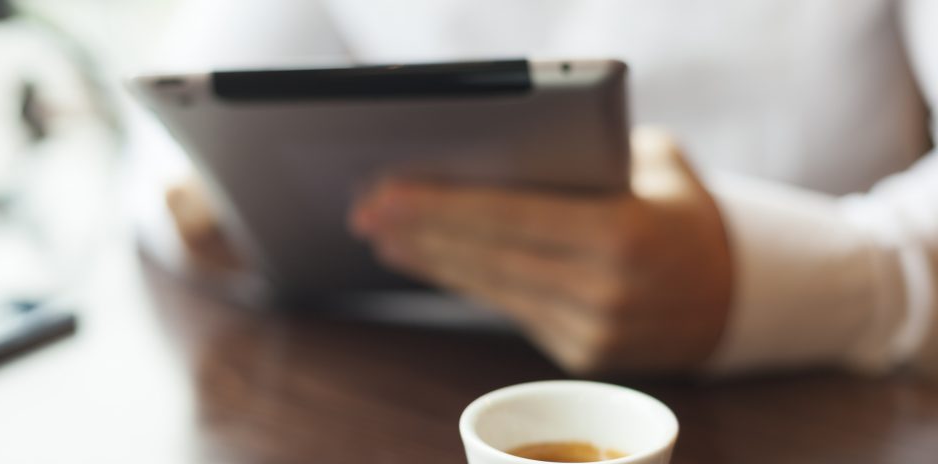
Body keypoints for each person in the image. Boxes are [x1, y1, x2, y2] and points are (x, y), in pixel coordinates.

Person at [146, 0, 938, 376]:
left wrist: (789, 281)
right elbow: (161, 132)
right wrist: (217, 199)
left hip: (834, 422)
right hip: (400, 396)